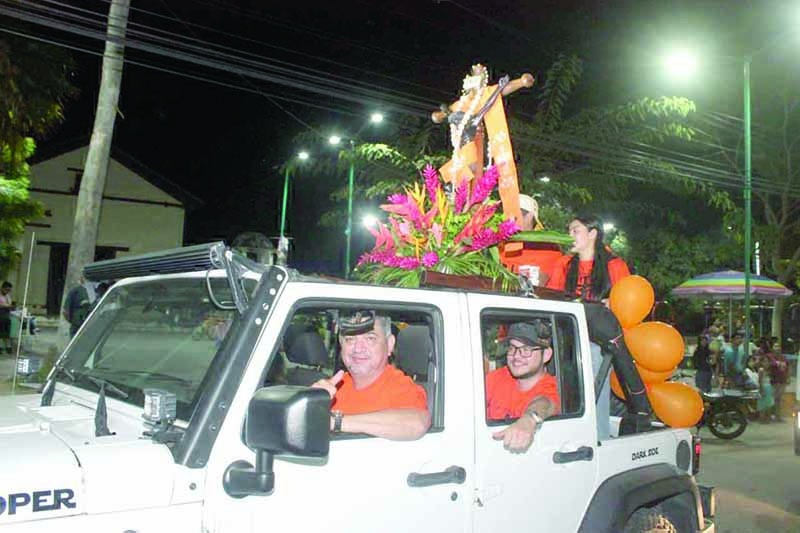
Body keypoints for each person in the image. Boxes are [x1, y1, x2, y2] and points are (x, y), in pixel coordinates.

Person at [311, 313, 430, 441]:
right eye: (350, 339)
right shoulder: (332, 388)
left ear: (390, 344)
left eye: (370, 338)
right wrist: (311, 405)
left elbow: (417, 424)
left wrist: (335, 422)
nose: (358, 349)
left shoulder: (402, 388)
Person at [486, 321, 560, 453]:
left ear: (546, 355)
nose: (516, 356)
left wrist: (529, 420)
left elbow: (545, 402)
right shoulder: (498, 377)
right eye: (512, 348)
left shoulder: (551, 386)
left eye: (526, 350)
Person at [546, 214, 630, 302]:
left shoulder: (615, 266)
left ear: (592, 234)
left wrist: (612, 302)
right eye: (569, 232)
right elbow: (551, 297)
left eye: (575, 231)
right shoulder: (564, 263)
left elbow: (626, 301)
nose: (569, 236)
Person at [499, 194, 563, 286]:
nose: (507, 221)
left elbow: (537, 286)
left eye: (513, 217)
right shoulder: (500, 243)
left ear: (529, 217)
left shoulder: (547, 247)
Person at [0, 281, 13, 353]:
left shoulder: (8, 296)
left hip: (6, 316)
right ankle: (1, 347)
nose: (7, 292)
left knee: (7, 332)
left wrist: (8, 306)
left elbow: (10, 305)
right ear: (2, 288)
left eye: (9, 290)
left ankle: (8, 346)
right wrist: (6, 305)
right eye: (6, 290)